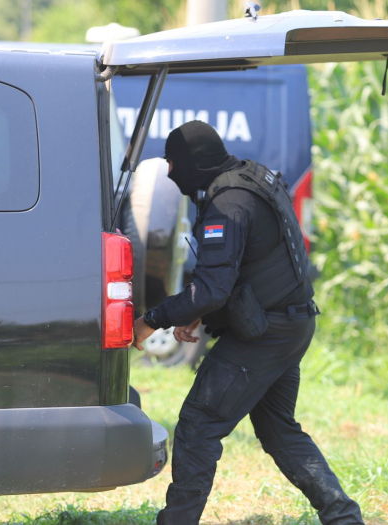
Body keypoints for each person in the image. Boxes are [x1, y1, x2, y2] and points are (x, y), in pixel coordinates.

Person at [131, 120, 365, 525]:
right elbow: (247, 267)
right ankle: (344, 518)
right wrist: (201, 314)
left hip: (265, 334)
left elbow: (212, 289)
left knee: (198, 424)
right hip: (290, 325)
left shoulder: (228, 202)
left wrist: (152, 320)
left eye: (172, 164)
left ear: (190, 162)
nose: (171, 175)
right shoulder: (249, 178)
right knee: (279, 431)